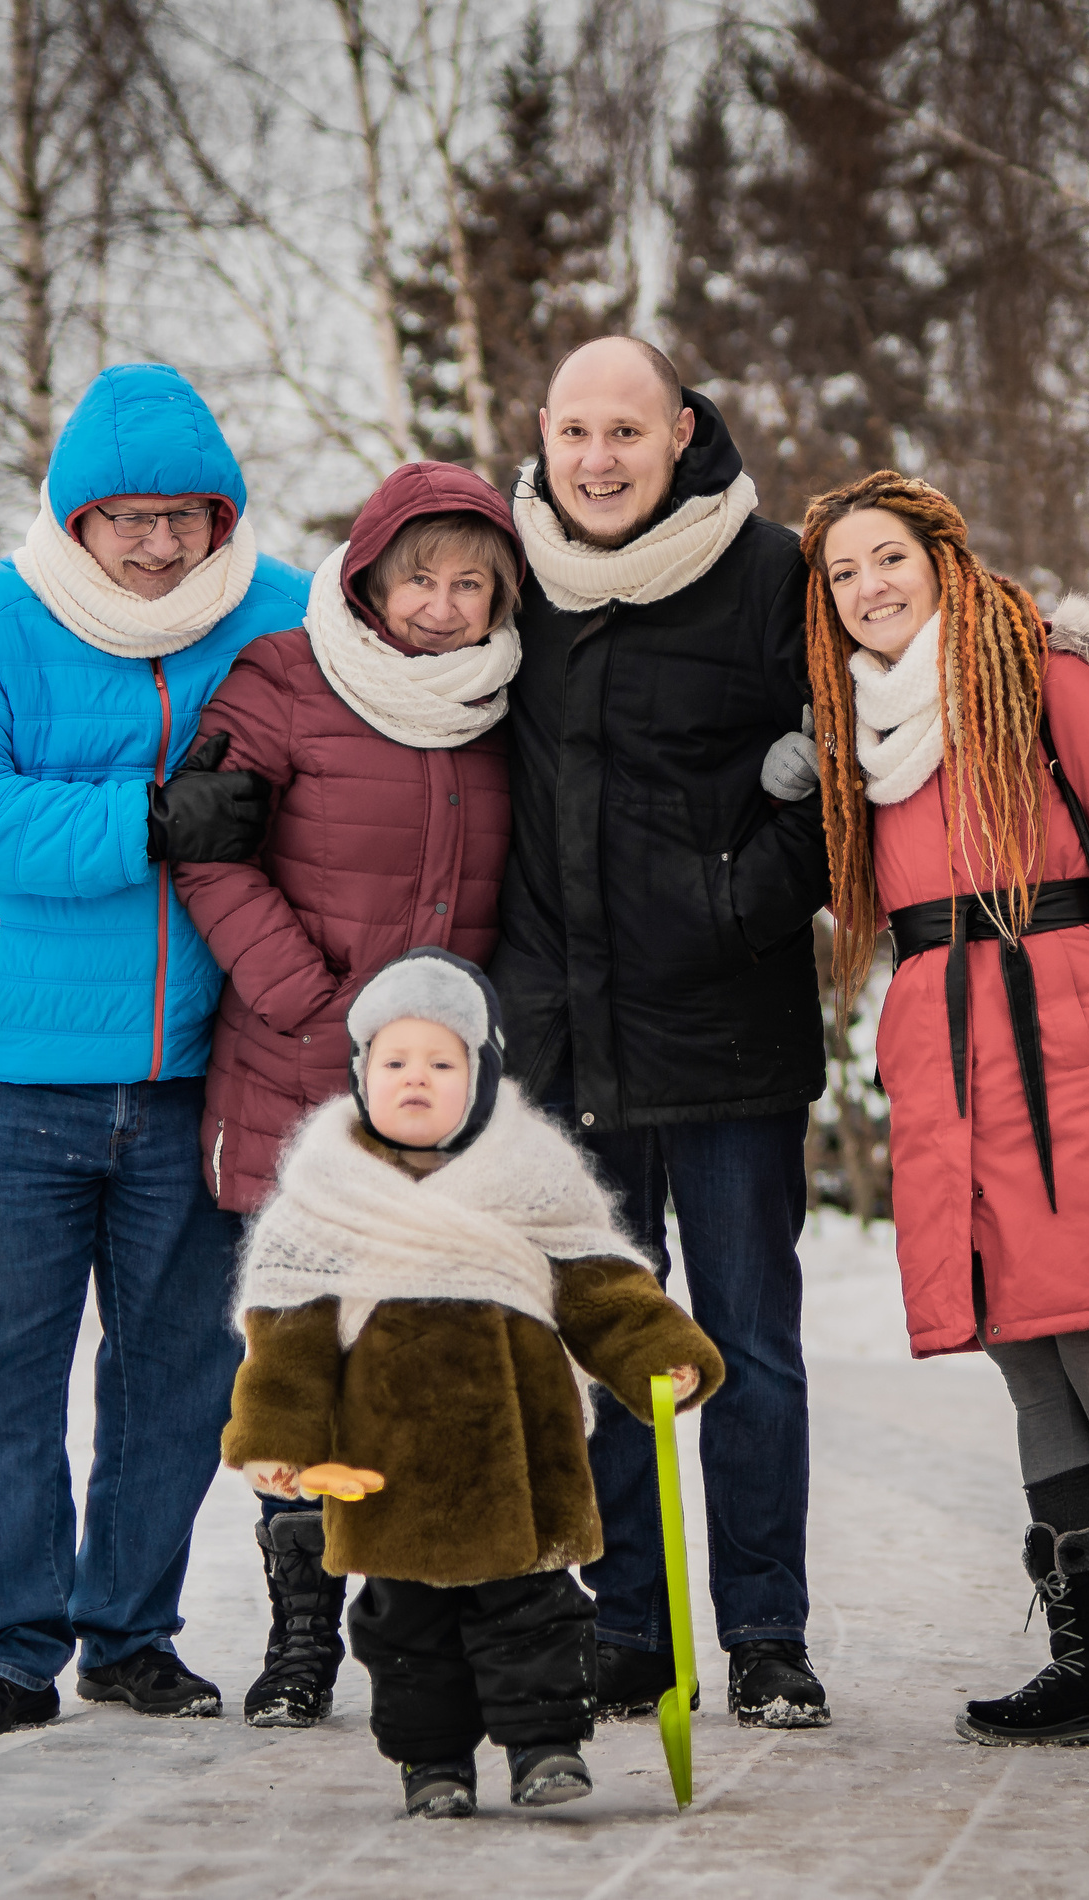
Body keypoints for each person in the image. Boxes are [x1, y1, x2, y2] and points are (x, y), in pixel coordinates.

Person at [778, 468, 1089, 1750]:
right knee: (1025, 1357)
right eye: (841, 573)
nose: (868, 588)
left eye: (888, 558)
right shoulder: (858, 733)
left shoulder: (1048, 678)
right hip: (943, 1057)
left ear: (941, 557)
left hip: (1074, 1045)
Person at [0, 363, 309, 1743]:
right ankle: (8, 1651)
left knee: (175, 1369)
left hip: (201, 1064)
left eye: (182, 516)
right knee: (4, 1369)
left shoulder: (286, 618)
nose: (155, 543)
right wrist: (151, 819)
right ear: (75, 519)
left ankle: (130, 1635)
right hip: (8, 1069)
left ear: (220, 511)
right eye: (125, 518)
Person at [490, 335, 832, 1728]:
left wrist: (741, 893)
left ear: (683, 432)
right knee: (608, 1352)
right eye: (576, 430)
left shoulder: (770, 573)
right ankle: (631, 1625)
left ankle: (764, 1633)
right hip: (571, 1049)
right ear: (547, 435)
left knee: (746, 1343)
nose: (598, 458)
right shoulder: (514, 581)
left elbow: (842, 766)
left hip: (731, 1035)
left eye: (626, 431)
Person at [173, 462, 523, 1727]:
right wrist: (311, 1003)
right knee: (301, 1362)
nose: (441, 605)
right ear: (370, 570)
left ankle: (416, 1633)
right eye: (419, 576)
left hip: (447, 1102)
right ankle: (300, 1630)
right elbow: (205, 846)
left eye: (470, 581)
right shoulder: (283, 676)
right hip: (299, 1077)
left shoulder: (501, 699)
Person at [220, 948, 726, 1817]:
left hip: (520, 1457)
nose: (416, 1078)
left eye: (442, 1062)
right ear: (361, 1073)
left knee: (533, 1608)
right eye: (395, 1061)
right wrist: (277, 1436)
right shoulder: (324, 1198)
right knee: (403, 1629)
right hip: (388, 1469)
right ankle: (433, 1764)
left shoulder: (531, 1177)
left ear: (484, 1077)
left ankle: (545, 1747)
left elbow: (600, 1284)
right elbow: (290, 1336)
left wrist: (656, 1352)